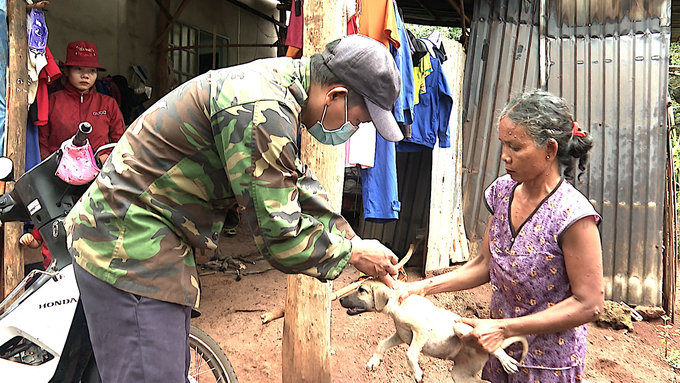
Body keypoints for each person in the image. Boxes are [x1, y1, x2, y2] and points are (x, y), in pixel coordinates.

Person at [64, 34, 404, 382]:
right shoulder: (263, 108)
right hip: (128, 245)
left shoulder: (280, 87)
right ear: (336, 96)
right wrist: (351, 254)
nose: (353, 129)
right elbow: (281, 236)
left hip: (146, 240)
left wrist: (354, 241)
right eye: (359, 121)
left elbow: (295, 183)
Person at [399, 90, 604, 382]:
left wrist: (506, 328)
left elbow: (589, 304)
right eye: (503, 144)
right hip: (497, 350)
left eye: (515, 147)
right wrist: (424, 287)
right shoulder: (502, 192)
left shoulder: (573, 216)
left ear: (550, 150)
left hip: (547, 365)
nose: (505, 156)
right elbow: (484, 264)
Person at [39, 41, 124, 163]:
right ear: (66, 71)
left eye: (92, 71)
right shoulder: (52, 101)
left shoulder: (108, 104)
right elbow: (41, 141)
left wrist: (104, 159)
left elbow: (120, 140)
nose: (85, 76)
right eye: (79, 69)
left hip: (99, 172)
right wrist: (50, 164)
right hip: (57, 170)